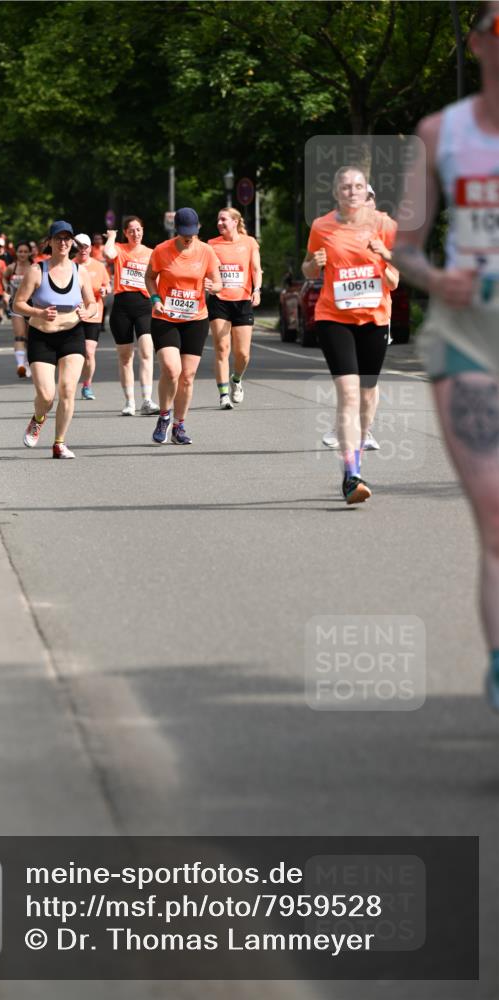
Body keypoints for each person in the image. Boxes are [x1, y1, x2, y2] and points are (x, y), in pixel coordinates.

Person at [393, 0, 499, 707]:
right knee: (496, 517)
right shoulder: (440, 133)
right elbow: (403, 247)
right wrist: (436, 279)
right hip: (469, 339)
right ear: (478, 42)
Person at [302, 166, 399, 503]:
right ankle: (351, 473)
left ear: (366, 190)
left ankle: (360, 444)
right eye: (346, 187)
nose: (352, 192)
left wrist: (384, 255)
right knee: (349, 394)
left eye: (358, 186)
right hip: (334, 317)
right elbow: (308, 267)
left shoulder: (384, 225)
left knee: (367, 394)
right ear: (336, 192)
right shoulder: (322, 226)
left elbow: (397, 278)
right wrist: (313, 264)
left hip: (374, 318)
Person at [12, 221, 97, 459]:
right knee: (47, 396)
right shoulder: (37, 271)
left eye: (67, 238)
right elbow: (18, 304)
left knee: (68, 389)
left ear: (72, 242)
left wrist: (88, 313)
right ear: (49, 241)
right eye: (58, 238)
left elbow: (92, 303)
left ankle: (59, 443)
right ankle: (38, 418)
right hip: (42, 337)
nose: (63, 243)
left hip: (72, 335)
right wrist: (38, 312)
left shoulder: (80, 272)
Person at [145, 207, 222, 445]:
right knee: (171, 369)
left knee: (187, 376)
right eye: (183, 232)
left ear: (198, 228)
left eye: (192, 232)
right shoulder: (162, 250)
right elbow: (149, 277)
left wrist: (213, 287)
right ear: (176, 230)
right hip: (165, 317)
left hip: (195, 319)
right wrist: (155, 299)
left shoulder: (206, 251)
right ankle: (164, 416)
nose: (188, 237)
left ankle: (179, 426)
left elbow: (218, 282)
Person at [321, 184, 389, 451]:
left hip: (377, 315)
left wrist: (382, 261)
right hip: (342, 316)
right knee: (349, 380)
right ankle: (341, 427)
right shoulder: (336, 232)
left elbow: (395, 280)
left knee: (368, 381)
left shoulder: (383, 232)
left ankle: (365, 430)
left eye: (369, 199)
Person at [207, 207, 262, 409]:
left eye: (224, 219)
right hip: (219, 301)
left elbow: (256, 269)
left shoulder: (249, 243)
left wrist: (257, 290)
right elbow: (207, 269)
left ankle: (236, 379)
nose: (219, 223)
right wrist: (208, 282)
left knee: (243, 354)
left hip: (243, 301)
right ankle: (223, 395)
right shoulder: (212, 244)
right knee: (222, 349)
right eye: (218, 220)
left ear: (235, 222)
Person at [104, 217, 159, 415]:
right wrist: (111, 237)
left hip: (144, 306)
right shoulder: (119, 249)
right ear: (126, 233)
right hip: (122, 307)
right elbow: (107, 253)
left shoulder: (151, 253)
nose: (136, 234)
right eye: (131, 231)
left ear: (142, 230)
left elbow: (158, 278)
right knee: (125, 357)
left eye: (138, 229)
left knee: (146, 352)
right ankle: (129, 402)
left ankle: (147, 400)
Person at [73, 233, 109, 400]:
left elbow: (107, 285)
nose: (83, 250)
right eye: (79, 247)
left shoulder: (98, 266)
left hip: (93, 314)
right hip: (72, 315)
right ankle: (69, 383)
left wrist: (105, 290)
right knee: (73, 353)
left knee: (89, 352)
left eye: (85, 246)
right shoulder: (69, 265)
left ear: (90, 248)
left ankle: (87, 385)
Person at [4, 240, 33, 378]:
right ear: (16, 253)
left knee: (30, 337)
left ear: (30, 253)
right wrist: (6, 289)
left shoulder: (34, 268)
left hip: (32, 305)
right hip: (16, 304)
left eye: (25, 251)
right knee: (20, 335)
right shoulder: (11, 267)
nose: (22, 254)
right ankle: (20, 365)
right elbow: (4, 278)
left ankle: (28, 363)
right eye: (20, 251)